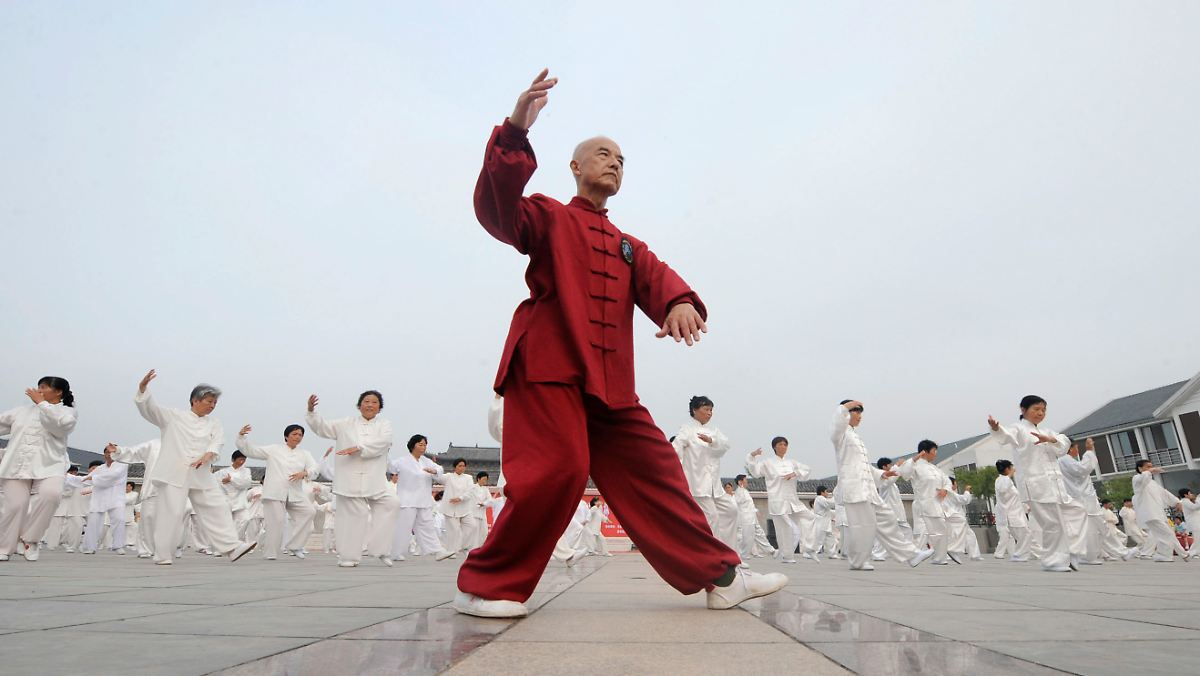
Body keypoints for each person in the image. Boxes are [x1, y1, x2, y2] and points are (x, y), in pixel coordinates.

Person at [454, 69, 782, 618]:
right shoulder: (549, 216)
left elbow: (661, 281)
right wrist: (514, 131)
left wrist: (679, 304)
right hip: (548, 368)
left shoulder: (628, 246)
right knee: (558, 471)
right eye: (603, 154)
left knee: (656, 469)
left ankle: (721, 576)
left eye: (622, 160)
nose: (614, 163)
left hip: (610, 386)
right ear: (575, 167)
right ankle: (484, 586)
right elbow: (496, 209)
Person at [134, 370, 257, 565]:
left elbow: (218, 441)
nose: (212, 405)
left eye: (215, 403)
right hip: (174, 474)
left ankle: (231, 547)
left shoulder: (214, 423)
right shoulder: (173, 416)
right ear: (195, 400)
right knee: (172, 513)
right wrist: (143, 389)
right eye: (209, 401)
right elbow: (150, 409)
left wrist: (209, 454)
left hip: (201, 474)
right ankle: (163, 555)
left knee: (217, 506)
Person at [831, 401, 933, 571]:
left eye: (861, 413)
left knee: (887, 518)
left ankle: (911, 555)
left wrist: (882, 474)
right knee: (862, 527)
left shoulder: (855, 436)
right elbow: (837, 421)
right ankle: (858, 561)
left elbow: (863, 465)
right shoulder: (840, 434)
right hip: (854, 488)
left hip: (868, 489)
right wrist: (847, 405)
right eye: (857, 412)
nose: (860, 416)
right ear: (847, 413)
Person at [307, 390, 399, 568]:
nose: (370, 405)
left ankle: (380, 549)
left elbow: (384, 442)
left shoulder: (384, 425)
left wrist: (359, 448)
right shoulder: (345, 424)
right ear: (359, 405)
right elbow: (322, 428)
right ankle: (348, 557)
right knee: (355, 516)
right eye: (366, 401)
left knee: (392, 503)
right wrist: (311, 412)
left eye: (374, 402)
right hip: (349, 478)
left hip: (375, 478)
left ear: (379, 407)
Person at [988, 395, 1075, 573]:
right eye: (1036, 409)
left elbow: (1063, 446)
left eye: (1043, 410)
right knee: (1052, 524)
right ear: (1023, 409)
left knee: (1075, 514)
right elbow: (1005, 435)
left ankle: (1068, 554)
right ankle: (1053, 560)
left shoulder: (1047, 431)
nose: (1040, 413)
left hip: (1054, 485)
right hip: (1036, 485)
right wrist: (996, 428)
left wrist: (1050, 439)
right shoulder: (1019, 429)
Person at [0, 377, 77, 562]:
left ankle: (30, 540)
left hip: (50, 465)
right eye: (38, 387)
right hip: (17, 465)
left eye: (44, 387)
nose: (38, 390)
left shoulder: (67, 412)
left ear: (58, 392)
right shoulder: (21, 412)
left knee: (51, 495)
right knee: (15, 506)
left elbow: (59, 428)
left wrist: (42, 404)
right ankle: (4, 547)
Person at [236, 424, 319, 560]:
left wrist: (305, 473)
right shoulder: (274, 450)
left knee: (309, 512)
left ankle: (295, 545)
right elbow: (251, 451)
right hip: (274, 492)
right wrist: (241, 437)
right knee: (277, 522)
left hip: (295, 493)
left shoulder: (305, 454)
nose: (297, 437)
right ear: (286, 436)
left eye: (300, 435)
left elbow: (315, 468)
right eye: (294, 434)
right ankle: (270, 553)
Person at [672, 396, 739, 555]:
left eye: (711, 410)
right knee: (712, 518)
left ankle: (730, 552)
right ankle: (714, 556)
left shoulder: (714, 431)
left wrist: (711, 440)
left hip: (714, 486)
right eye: (706, 409)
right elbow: (676, 448)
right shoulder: (687, 430)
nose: (709, 413)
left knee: (731, 510)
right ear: (695, 410)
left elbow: (725, 445)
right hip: (697, 484)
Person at [746, 439, 819, 563]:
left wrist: (795, 473)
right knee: (785, 528)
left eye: (785, 444)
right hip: (777, 500)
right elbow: (755, 472)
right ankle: (788, 556)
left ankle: (810, 548)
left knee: (811, 517)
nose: (783, 446)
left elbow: (807, 470)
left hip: (793, 500)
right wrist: (752, 456)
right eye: (780, 444)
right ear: (775, 447)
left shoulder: (792, 463)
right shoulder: (767, 463)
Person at [390, 435, 453, 562]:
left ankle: (437, 551)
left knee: (427, 526)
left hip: (423, 500)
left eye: (425, 445)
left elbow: (439, 469)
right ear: (413, 445)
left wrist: (434, 471)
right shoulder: (402, 461)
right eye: (420, 444)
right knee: (403, 527)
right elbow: (389, 466)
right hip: (407, 501)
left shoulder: (426, 461)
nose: (423, 447)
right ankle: (396, 552)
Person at [896, 440, 960, 565]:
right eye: (934, 451)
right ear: (925, 452)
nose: (936, 454)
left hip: (937, 505)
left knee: (940, 531)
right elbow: (904, 473)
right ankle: (915, 556)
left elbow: (947, 481)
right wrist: (914, 459)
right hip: (923, 504)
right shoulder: (915, 465)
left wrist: (945, 490)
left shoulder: (935, 468)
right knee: (924, 533)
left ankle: (939, 557)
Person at [1132, 460, 1190, 562]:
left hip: (1158, 513)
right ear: (1140, 468)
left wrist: (1177, 502)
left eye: (1151, 466)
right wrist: (1151, 471)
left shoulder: (1153, 483)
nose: (1151, 468)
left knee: (1163, 535)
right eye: (1148, 467)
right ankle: (1182, 554)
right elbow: (1143, 479)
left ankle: (1165, 555)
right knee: (1167, 533)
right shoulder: (1137, 479)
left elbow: (1164, 493)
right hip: (1149, 513)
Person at [81, 450, 129, 555]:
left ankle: (118, 546)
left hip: (115, 498)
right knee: (93, 522)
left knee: (119, 519)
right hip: (99, 497)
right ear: (104, 454)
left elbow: (112, 477)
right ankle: (90, 547)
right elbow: (86, 479)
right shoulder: (99, 468)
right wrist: (69, 478)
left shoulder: (122, 466)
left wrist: (94, 478)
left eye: (112, 452)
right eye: (107, 452)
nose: (109, 454)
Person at [994, 459, 1031, 562]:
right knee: (1025, 534)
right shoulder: (1001, 480)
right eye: (1012, 467)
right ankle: (1018, 555)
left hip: (1016, 513)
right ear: (1007, 469)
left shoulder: (1006, 481)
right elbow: (1003, 490)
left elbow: (1015, 499)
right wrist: (1009, 476)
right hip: (1011, 515)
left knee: (1024, 535)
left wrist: (1025, 507)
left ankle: (1020, 554)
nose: (1014, 469)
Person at [439, 458, 477, 556]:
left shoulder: (468, 478)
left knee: (473, 526)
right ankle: (451, 551)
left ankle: (463, 547)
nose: (462, 468)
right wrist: (436, 467)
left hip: (464, 508)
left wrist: (460, 498)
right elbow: (438, 477)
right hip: (450, 508)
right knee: (454, 530)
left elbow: (470, 491)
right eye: (460, 466)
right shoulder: (448, 477)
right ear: (455, 467)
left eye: (464, 466)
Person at [732, 474, 774, 558]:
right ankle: (742, 554)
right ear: (740, 482)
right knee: (746, 537)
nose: (747, 481)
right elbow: (737, 503)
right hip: (746, 518)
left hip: (752, 517)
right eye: (745, 480)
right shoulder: (739, 492)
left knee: (760, 534)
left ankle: (771, 551)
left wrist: (756, 510)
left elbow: (749, 504)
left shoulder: (745, 491)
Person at [874, 457, 912, 545]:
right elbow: (893, 477)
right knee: (901, 531)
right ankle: (909, 548)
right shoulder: (882, 479)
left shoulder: (889, 480)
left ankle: (908, 548)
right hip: (890, 510)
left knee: (901, 531)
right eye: (890, 465)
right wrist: (897, 465)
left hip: (895, 511)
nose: (891, 466)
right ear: (884, 467)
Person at [214, 451, 253, 538]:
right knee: (224, 525)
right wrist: (235, 483)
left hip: (240, 502)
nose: (242, 462)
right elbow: (218, 483)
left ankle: (234, 540)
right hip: (226, 501)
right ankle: (224, 542)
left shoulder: (246, 471)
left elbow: (246, 483)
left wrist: (231, 480)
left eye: (244, 460)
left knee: (245, 519)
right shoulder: (222, 472)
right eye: (240, 459)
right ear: (233, 459)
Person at [812, 486, 840, 559]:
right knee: (819, 539)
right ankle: (811, 552)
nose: (827, 493)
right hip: (821, 522)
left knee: (830, 538)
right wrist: (836, 496)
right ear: (822, 492)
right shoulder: (820, 498)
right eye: (826, 491)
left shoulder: (821, 499)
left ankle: (831, 554)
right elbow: (830, 504)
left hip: (825, 522)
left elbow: (829, 510)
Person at [470, 472, 493, 550]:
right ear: (478, 479)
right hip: (473, 514)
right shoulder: (472, 488)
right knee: (474, 533)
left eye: (486, 480)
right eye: (483, 479)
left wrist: (484, 503)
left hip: (482, 514)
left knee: (484, 532)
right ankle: (473, 549)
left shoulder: (486, 489)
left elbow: (490, 500)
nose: (484, 481)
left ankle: (480, 549)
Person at [1179, 489, 1200, 555]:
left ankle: (1193, 552)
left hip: (1195, 522)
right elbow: (1195, 507)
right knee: (1197, 538)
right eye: (1189, 493)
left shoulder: (1187, 501)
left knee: (1197, 538)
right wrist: (1198, 498)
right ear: (1185, 495)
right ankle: (1194, 552)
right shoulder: (1185, 501)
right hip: (1194, 522)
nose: (1191, 494)